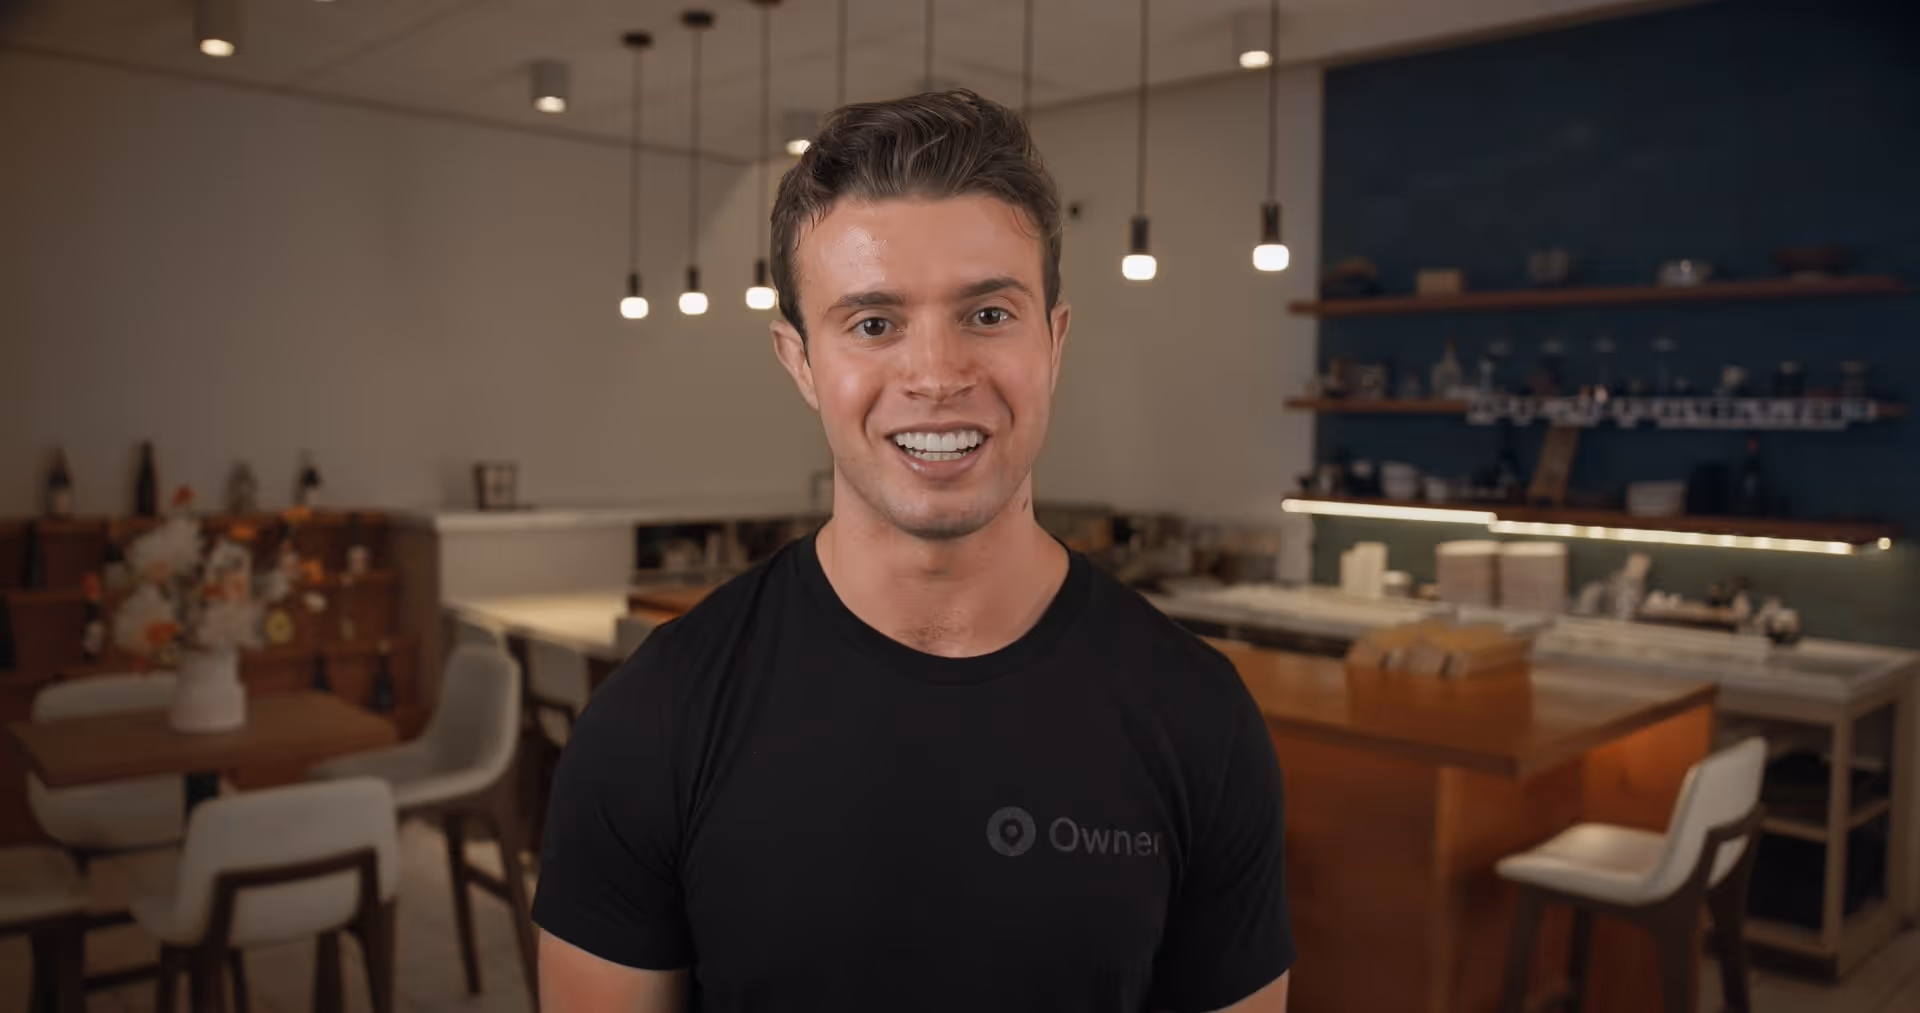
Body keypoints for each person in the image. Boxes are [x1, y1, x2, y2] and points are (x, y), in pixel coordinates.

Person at [533, 89, 1293, 1013]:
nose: (936, 375)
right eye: (872, 322)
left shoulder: (1199, 717)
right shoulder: (653, 724)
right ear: (800, 361)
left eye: (987, 315)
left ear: (1053, 342)